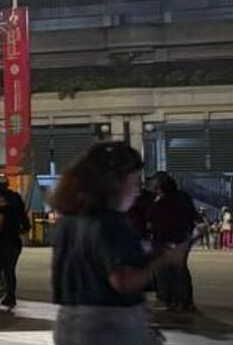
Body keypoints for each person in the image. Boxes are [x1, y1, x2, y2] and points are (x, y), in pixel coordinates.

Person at [50, 141, 183, 344]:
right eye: (134, 180)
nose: (138, 190)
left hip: (68, 323)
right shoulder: (111, 223)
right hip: (110, 325)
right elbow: (123, 280)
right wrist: (162, 259)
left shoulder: (68, 221)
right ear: (113, 183)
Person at [143, 172, 197, 313]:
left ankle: (167, 299)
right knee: (180, 269)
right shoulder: (183, 197)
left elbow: (150, 220)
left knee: (163, 270)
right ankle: (184, 301)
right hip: (181, 239)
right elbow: (192, 215)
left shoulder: (160, 202)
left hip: (164, 239)